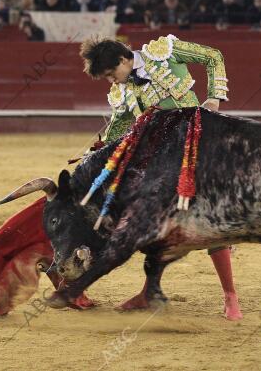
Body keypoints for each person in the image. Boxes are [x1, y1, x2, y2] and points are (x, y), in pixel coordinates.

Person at [73, 35, 242, 320]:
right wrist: (96, 153)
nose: (112, 82)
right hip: (162, 162)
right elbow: (118, 129)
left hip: (196, 150)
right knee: (144, 221)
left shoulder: (164, 52)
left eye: (112, 74)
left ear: (124, 60)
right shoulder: (124, 92)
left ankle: (230, 297)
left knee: (206, 219)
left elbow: (213, 56)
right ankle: (148, 292)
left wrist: (214, 96)